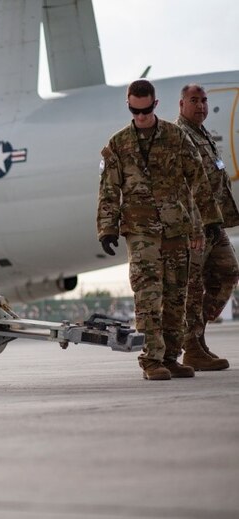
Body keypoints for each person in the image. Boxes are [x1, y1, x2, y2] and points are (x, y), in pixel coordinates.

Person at [96, 79, 222, 381]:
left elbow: (198, 179)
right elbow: (109, 189)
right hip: (141, 232)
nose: (140, 116)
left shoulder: (176, 137)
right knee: (148, 295)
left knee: (176, 294)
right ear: (129, 105)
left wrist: (211, 219)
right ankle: (151, 360)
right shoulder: (117, 144)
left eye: (146, 110)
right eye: (134, 110)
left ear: (156, 105)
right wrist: (107, 228)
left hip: (176, 227)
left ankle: (170, 357)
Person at [176, 83, 239, 370]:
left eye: (203, 101)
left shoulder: (202, 135)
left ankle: (196, 338)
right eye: (194, 100)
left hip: (214, 222)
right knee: (192, 286)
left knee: (228, 272)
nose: (201, 106)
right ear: (181, 105)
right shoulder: (179, 136)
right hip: (196, 226)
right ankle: (191, 348)